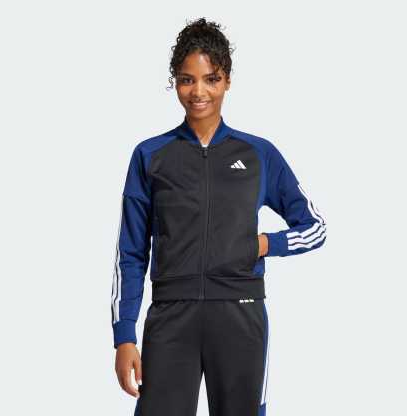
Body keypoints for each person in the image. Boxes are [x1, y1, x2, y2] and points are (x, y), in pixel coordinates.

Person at [111, 17, 327, 416]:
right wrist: (124, 335)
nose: (199, 92)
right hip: (171, 317)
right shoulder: (150, 155)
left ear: (226, 80)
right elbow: (131, 253)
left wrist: (266, 244)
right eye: (187, 80)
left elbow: (315, 228)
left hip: (240, 313)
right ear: (175, 82)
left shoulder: (258, 154)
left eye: (211, 79)